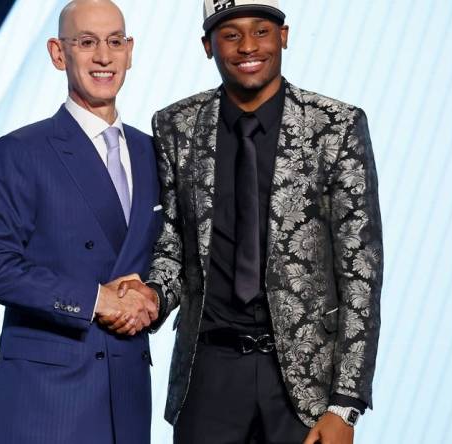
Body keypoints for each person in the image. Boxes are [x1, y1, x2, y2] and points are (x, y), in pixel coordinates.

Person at [119, 1, 383, 442]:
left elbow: (361, 272)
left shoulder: (335, 127)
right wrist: (149, 296)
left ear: (284, 36)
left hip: (304, 384)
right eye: (231, 34)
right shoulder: (176, 126)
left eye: (261, 31)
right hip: (209, 371)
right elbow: (173, 247)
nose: (247, 47)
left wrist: (346, 405)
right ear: (208, 45)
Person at [0, 1, 161, 442]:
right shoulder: (23, 151)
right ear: (58, 53)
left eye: (114, 42)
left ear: (130, 51)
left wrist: (155, 296)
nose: (103, 56)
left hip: (127, 391)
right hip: (47, 398)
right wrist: (95, 300)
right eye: (86, 42)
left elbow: (172, 255)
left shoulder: (154, 153)